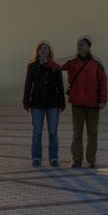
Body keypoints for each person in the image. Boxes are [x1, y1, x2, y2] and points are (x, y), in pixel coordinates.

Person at [55, 35, 108, 168]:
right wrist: (45, 60)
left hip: (93, 103)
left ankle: (91, 159)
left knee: (92, 133)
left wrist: (102, 100)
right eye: (78, 44)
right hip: (77, 102)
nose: (79, 46)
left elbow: (103, 83)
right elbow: (59, 66)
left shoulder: (96, 64)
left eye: (83, 44)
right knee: (77, 132)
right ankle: (76, 159)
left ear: (89, 47)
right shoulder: (72, 63)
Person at [22, 39, 65, 167]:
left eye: (46, 48)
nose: (43, 50)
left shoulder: (55, 67)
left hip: (53, 103)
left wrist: (62, 102)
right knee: (37, 132)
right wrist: (26, 101)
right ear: (37, 51)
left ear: (49, 51)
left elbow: (60, 86)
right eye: (41, 48)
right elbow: (28, 84)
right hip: (37, 103)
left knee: (53, 131)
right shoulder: (32, 66)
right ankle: (36, 157)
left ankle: (53, 158)